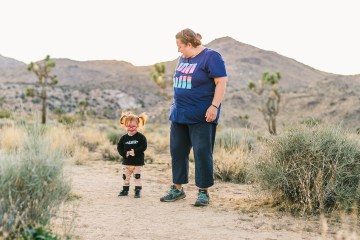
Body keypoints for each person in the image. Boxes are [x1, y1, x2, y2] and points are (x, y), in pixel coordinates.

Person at [160, 28, 227, 206]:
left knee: (202, 153)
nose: (178, 50)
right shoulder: (184, 58)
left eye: (180, 46)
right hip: (179, 113)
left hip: (202, 115)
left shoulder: (211, 57)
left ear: (189, 44)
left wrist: (214, 106)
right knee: (177, 151)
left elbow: (221, 82)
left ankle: (203, 192)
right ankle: (177, 189)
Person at [117, 112, 148, 198]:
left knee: (137, 177)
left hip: (137, 163)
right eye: (128, 126)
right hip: (126, 162)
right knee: (125, 177)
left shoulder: (141, 137)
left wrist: (135, 151)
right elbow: (119, 148)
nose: (131, 128)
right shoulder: (123, 138)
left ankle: (137, 190)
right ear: (125, 126)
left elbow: (144, 146)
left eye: (133, 126)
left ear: (138, 125)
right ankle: (125, 190)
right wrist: (124, 153)